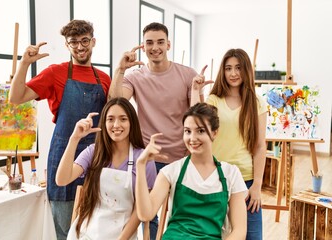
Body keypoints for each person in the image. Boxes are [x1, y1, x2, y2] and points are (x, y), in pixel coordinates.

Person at [8, 20, 111, 239]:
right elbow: (16, 98)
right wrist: (24, 63)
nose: (80, 47)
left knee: (96, 227)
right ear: (67, 45)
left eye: (84, 41)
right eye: (74, 42)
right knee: (64, 227)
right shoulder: (56, 73)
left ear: (93, 42)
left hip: (96, 157)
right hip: (65, 153)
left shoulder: (104, 79)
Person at [108, 22, 200, 238]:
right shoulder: (135, 76)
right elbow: (115, 101)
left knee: (180, 213)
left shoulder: (187, 75)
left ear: (168, 44)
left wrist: (191, 151)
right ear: (143, 45)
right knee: (147, 216)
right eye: (149, 42)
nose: (155, 47)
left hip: (180, 156)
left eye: (160, 42)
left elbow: (197, 116)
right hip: (148, 157)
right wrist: (121, 69)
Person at [136, 103, 247, 239]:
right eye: (187, 131)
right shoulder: (171, 171)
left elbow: (240, 230)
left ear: (215, 132)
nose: (192, 138)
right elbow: (145, 214)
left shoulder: (231, 174)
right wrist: (140, 165)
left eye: (200, 131)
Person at [191, 48, 267, 240]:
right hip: (216, 179)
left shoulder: (257, 102)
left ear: (246, 70)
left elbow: (259, 146)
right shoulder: (214, 99)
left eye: (238, 68)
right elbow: (195, 124)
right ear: (222, 72)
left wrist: (257, 185)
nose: (233, 73)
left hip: (246, 181)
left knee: (252, 236)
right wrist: (195, 90)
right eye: (228, 68)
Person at [56, 97, 157, 239]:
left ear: (132, 122)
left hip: (123, 234)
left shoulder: (143, 159)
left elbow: (139, 212)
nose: (116, 125)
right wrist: (74, 138)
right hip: (87, 232)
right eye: (110, 119)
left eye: (123, 119)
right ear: (104, 123)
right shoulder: (93, 152)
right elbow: (62, 180)